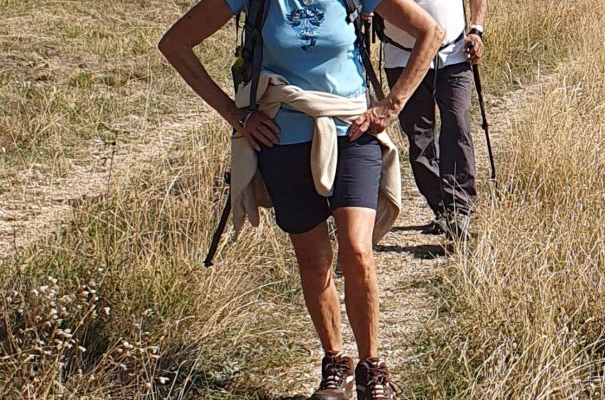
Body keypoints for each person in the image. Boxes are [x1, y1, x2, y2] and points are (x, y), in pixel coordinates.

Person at [158, 0, 444, 398]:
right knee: (312, 258)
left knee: (357, 250)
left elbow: (431, 32)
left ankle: (372, 369)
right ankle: (336, 365)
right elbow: (174, 44)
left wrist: (389, 107)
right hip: (282, 139)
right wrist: (236, 115)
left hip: (352, 131)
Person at [376, 0, 485, 243]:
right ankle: (442, 208)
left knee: (457, 125)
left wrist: (476, 30)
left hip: (454, 52)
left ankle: (459, 208)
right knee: (418, 136)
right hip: (402, 58)